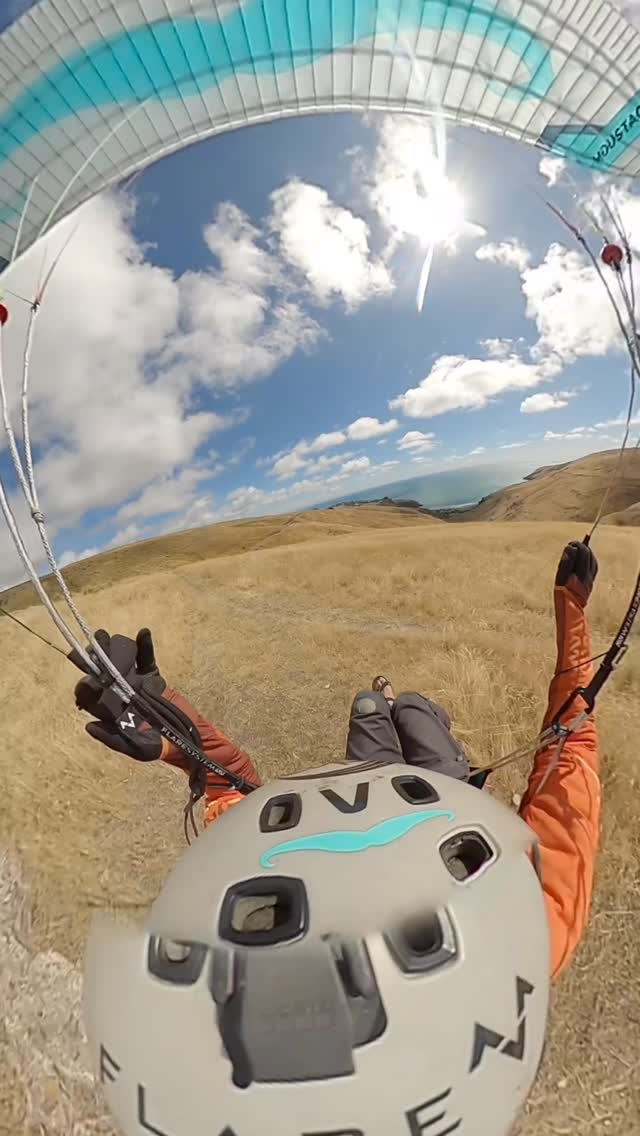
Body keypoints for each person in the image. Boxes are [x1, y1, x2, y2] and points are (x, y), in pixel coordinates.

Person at [75, 540, 600, 1136]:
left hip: (391, 793)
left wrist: (179, 735)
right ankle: (413, 710)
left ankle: (390, 703)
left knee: (370, 708)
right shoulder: (534, 929)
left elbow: (233, 794)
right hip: (437, 791)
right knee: (412, 714)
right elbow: (570, 747)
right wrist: (571, 609)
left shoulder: (531, 938)